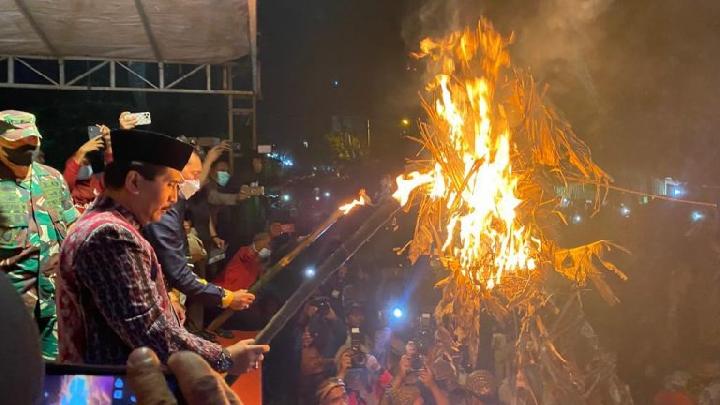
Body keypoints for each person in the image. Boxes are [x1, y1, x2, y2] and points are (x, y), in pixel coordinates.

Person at [56, 129, 268, 374]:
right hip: (113, 389)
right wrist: (224, 358)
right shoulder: (110, 236)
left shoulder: (107, 224)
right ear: (134, 182)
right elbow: (149, 331)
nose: (174, 196)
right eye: (170, 185)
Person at [142, 148, 255, 337]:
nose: (197, 181)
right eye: (195, 174)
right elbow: (177, 271)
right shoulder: (164, 204)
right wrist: (228, 298)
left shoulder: (175, 195)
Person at [0, 110, 80, 360]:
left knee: (56, 375)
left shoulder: (52, 178)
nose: (27, 146)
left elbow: (72, 230)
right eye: (18, 142)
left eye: (31, 140)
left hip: (54, 303)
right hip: (11, 307)